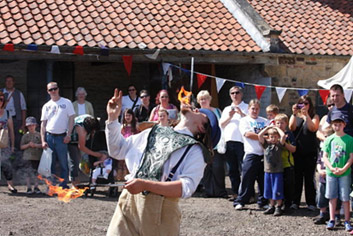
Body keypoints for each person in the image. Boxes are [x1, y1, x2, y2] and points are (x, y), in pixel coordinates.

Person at [105, 88, 220, 236]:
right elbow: (118, 150)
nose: (196, 108)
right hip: (128, 202)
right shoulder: (154, 131)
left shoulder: (195, 151)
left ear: (202, 128)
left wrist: (145, 184)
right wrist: (112, 119)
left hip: (161, 210)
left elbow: (186, 187)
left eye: (203, 113)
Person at [234, 99, 268, 210]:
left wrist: (263, 136)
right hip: (251, 153)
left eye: (257, 109)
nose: (255, 111)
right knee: (247, 179)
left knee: (263, 180)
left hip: (263, 154)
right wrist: (263, 136)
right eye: (253, 108)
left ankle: (263, 202)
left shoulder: (265, 121)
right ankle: (240, 201)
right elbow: (247, 134)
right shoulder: (244, 120)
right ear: (249, 109)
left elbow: (271, 133)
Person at [40, 82, 75, 188]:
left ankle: (64, 185)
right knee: (50, 164)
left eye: (55, 88)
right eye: (51, 90)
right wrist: (43, 140)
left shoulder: (67, 102)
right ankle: (51, 186)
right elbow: (43, 123)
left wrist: (69, 134)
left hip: (61, 137)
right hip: (49, 137)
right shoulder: (46, 106)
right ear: (48, 91)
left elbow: (71, 119)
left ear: (58, 89)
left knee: (63, 163)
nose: (53, 91)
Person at [322, 112, 353, 231]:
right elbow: (325, 156)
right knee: (332, 197)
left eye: (339, 124)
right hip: (331, 173)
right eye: (335, 124)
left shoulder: (349, 139)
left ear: (344, 125)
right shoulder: (329, 139)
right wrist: (330, 167)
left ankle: (346, 220)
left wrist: (344, 168)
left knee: (345, 198)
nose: (337, 126)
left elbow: (351, 157)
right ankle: (332, 219)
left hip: (344, 173)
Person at [289, 95, 320, 211]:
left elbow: (313, 128)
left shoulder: (314, 116)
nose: (304, 105)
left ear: (310, 105)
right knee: (296, 178)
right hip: (298, 151)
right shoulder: (295, 116)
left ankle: (311, 202)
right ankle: (295, 201)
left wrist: (306, 115)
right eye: (301, 103)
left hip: (310, 151)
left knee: (309, 178)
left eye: (306, 103)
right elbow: (291, 127)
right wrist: (294, 114)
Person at [219, 86, 248, 200]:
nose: (235, 95)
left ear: (241, 94)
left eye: (237, 93)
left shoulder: (246, 107)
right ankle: (236, 192)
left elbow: (251, 121)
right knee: (232, 169)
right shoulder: (227, 109)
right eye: (232, 93)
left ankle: (246, 193)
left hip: (242, 142)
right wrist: (230, 116)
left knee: (244, 169)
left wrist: (241, 114)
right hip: (229, 142)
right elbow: (221, 124)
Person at [197, 90, 227, 198]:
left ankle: (221, 191)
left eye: (205, 98)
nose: (203, 101)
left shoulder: (217, 111)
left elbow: (222, 125)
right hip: (203, 144)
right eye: (201, 99)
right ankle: (208, 191)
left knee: (218, 167)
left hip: (216, 143)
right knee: (206, 169)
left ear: (209, 99)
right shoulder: (197, 112)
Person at [68, 114, 103, 186]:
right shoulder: (81, 128)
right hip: (71, 140)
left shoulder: (90, 119)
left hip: (82, 138)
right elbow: (81, 147)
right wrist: (95, 154)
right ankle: (74, 181)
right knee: (75, 160)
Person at [258, 126, 286, 216]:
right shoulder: (266, 145)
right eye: (271, 137)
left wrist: (277, 128)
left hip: (277, 171)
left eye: (275, 136)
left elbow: (283, 136)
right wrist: (268, 128)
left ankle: (278, 206)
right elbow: (259, 135)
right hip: (268, 171)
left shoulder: (279, 145)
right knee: (269, 189)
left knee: (277, 189)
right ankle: (271, 206)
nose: (273, 139)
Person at [274, 114, 296, 212]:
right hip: (275, 165)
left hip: (287, 164)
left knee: (289, 186)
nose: (279, 125)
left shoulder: (289, 134)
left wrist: (284, 143)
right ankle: (277, 203)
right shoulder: (272, 134)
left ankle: (288, 204)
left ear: (286, 124)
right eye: (277, 123)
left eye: (282, 123)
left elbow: (294, 149)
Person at [1, 75, 27, 150]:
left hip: (16, 120)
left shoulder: (19, 94)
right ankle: (4, 156)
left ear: (14, 82)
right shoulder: (1, 93)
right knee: (3, 137)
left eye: (11, 81)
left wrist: (23, 124)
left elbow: (23, 109)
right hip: (4, 119)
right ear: (5, 82)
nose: (9, 83)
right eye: (7, 81)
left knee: (17, 138)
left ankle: (14, 156)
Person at [20, 116, 43, 194]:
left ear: (35, 125)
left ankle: (36, 186)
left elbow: (43, 145)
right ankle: (29, 187)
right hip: (27, 157)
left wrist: (36, 145)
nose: (31, 127)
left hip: (37, 156)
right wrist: (28, 145)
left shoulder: (39, 135)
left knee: (37, 172)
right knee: (28, 172)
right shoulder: (25, 136)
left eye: (32, 125)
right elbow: (21, 146)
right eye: (29, 126)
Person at [0, 91, 16, 193]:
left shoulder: (7, 113)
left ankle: (10, 185)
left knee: (6, 164)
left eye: (1, 99)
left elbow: (11, 130)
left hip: (5, 143)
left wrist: (13, 146)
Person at [118, 109, 139, 181]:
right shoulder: (122, 127)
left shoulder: (136, 126)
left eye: (129, 115)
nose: (127, 117)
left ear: (132, 116)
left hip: (132, 148)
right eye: (126, 115)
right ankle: (120, 179)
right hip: (124, 147)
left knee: (129, 164)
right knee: (122, 164)